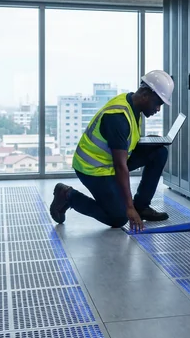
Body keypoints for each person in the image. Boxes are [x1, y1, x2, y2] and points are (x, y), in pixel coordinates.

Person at [49, 71, 174, 230]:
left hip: (108, 161)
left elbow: (125, 143)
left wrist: (151, 142)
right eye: (158, 103)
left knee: (159, 152)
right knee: (119, 218)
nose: (158, 108)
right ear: (145, 94)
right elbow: (120, 166)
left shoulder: (133, 106)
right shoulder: (118, 118)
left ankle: (141, 207)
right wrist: (129, 207)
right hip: (93, 168)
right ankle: (67, 195)